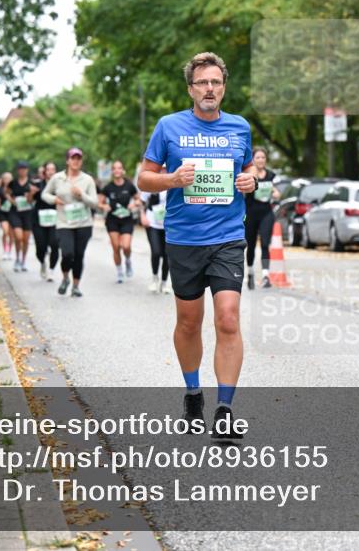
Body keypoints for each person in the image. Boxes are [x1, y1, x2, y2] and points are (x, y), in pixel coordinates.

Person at [137, 52, 256, 439]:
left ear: (224, 88)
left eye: (216, 82)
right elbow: (144, 178)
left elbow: (250, 168)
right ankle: (193, 392)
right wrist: (172, 179)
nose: (210, 89)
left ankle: (224, 408)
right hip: (184, 239)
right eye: (203, 83)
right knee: (189, 323)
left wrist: (250, 179)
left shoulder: (239, 127)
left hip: (227, 238)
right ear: (191, 88)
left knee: (228, 318)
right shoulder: (168, 126)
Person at [42, 148, 100, 297]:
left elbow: (95, 203)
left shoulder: (87, 179)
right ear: (67, 160)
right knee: (67, 253)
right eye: (73, 158)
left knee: (79, 255)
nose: (76, 161)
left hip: (83, 223)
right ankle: (65, 277)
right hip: (64, 223)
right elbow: (45, 194)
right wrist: (54, 199)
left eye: (78, 159)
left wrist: (82, 195)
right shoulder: (57, 178)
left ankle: (76, 286)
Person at [243, 147, 280, 289]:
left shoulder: (271, 175)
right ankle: (251, 273)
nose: (260, 160)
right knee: (250, 245)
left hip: (266, 213)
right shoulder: (249, 175)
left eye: (263, 157)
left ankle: (265, 276)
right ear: (253, 160)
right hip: (251, 212)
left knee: (265, 243)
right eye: (257, 157)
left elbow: (275, 190)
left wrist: (276, 193)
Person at [99, 160, 141, 284]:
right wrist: (104, 206)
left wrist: (134, 204)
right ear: (112, 171)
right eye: (115, 168)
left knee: (126, 246)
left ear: (123, 170)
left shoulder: (129, 186)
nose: (117, 170)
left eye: (119, 168)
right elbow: (99, 202)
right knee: (116, 247)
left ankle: (127, 260)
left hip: (127, 219)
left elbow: (138, 199)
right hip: (112, 220)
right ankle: (119, 271)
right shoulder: (108, 187)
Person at [140, 175, 170, 294]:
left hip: (168, 224)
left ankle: (164, 282)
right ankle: (154, 278)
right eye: (161, 169)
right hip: (152, 222)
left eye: (165, 168)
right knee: (156, 252)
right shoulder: (151, 182)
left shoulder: (173, 183)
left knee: (167, 254)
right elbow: (141, 202)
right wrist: (142, 216)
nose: (163, 171)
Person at [32, 161, 60, 281]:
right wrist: (31, 193)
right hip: (39, 219)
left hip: (55, 219)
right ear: (44, 171)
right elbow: (29, 200)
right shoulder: (38, 185)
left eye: (53, 169)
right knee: (41, 247)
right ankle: (42, 262)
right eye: (48, 169)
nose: (50, 172)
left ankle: (52, 270)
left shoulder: (60, 185)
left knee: (54, 244)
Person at [6, 161, 36, 272]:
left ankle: (23, 260)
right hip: (15, 212)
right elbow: (7, 193)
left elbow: (33, 199)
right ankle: (17, 258)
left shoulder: (31, 183)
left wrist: (31, 194)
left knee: (26, 239)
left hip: (28, 213)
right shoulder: (13, 183)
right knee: (18, 237)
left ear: (27, 170)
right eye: (20, 168)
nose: (22, 171)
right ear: (17, 170)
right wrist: (12, 200)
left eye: (24, 168)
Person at [0, 172, 14, 260]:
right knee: (5, 231)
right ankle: (5, 250)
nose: (7, 180)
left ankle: (9, 251)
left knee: (11, 234)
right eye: (5, 178)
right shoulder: (0, 189)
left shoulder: (14, 188)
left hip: (12, 212)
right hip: (3, 212)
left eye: (9, 178)